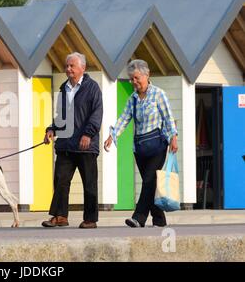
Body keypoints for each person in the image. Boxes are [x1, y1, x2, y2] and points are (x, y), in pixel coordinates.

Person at [104, 59, 178, 228]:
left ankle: (139, 217)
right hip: (140, 148)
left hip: (158, 146)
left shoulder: (158, 94)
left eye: (136, 78)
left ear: (147, 75)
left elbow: (168, 118)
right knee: (149, 183)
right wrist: (112, 135)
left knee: (148, 181)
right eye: (131, 79)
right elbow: (124, 118)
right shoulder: (133, 99)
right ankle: (159, 220)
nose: (134, 82)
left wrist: (174, 137)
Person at [42, 52, 103, 229]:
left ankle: (90, 219)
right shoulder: (63, 88)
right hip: (66, 145)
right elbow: (61, 117)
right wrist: (51, 129)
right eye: (67, 66)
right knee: (60, 180)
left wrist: (88, 134)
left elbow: (97, 114)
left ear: (82, 68)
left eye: (72, 66)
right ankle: (60, 216)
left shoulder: (92, 88)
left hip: (86, 145)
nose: (68, 69)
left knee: (89, 184)